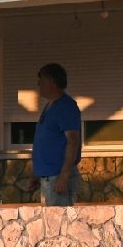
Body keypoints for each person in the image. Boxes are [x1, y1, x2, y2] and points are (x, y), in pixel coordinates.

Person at [31, 63, 81, 206]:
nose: (39, 84)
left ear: (52, 81)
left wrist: (64, 175)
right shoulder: (49, 107)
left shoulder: (65, 106)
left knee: (59, 226)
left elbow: (73, 140)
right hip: (47, 177)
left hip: (57, 178)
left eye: (42, 80)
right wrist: (36, 173)